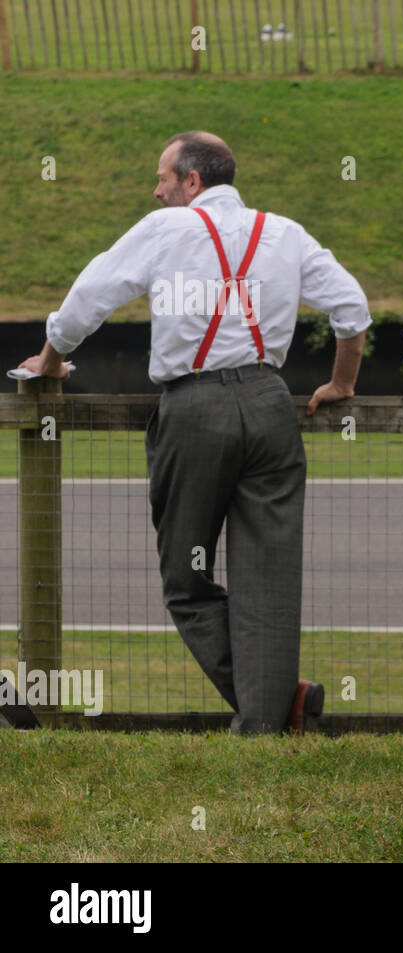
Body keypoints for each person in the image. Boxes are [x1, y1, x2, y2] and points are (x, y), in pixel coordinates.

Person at [18, 131, 371, 735]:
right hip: (269, 407)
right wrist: (341, 384)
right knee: (270, 579)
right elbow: (352, 309)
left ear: (191, 182)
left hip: (195, 409)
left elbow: (89, 296)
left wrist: (50, 360)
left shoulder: (165, 231)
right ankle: (271, 714)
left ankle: (275, 706)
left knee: (186, 576)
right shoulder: (283, 233)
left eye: (162, 178)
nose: (155, 190)